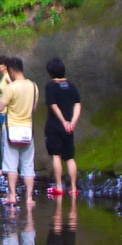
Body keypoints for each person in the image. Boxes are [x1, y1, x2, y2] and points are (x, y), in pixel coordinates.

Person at [0, 55, 39, 209]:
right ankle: (29, 198)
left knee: (12, 166)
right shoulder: (33, 86)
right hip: (28, 129)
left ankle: (13, 195)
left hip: (11, 130)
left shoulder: (11, 88)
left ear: (12, 71)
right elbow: (34, 108)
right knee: (28, 165)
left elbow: (1, 108)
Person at [43, 56, 81, 197]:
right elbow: (78, 104)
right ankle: (73, 188)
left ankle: (59, 187)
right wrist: (72, 122)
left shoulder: (50, 86)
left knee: (56, 156)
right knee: (70, 157)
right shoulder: (71, 86)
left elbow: (53, 105)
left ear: (50, 72)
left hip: (54, 126)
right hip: (69, 128)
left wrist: (63, 121)